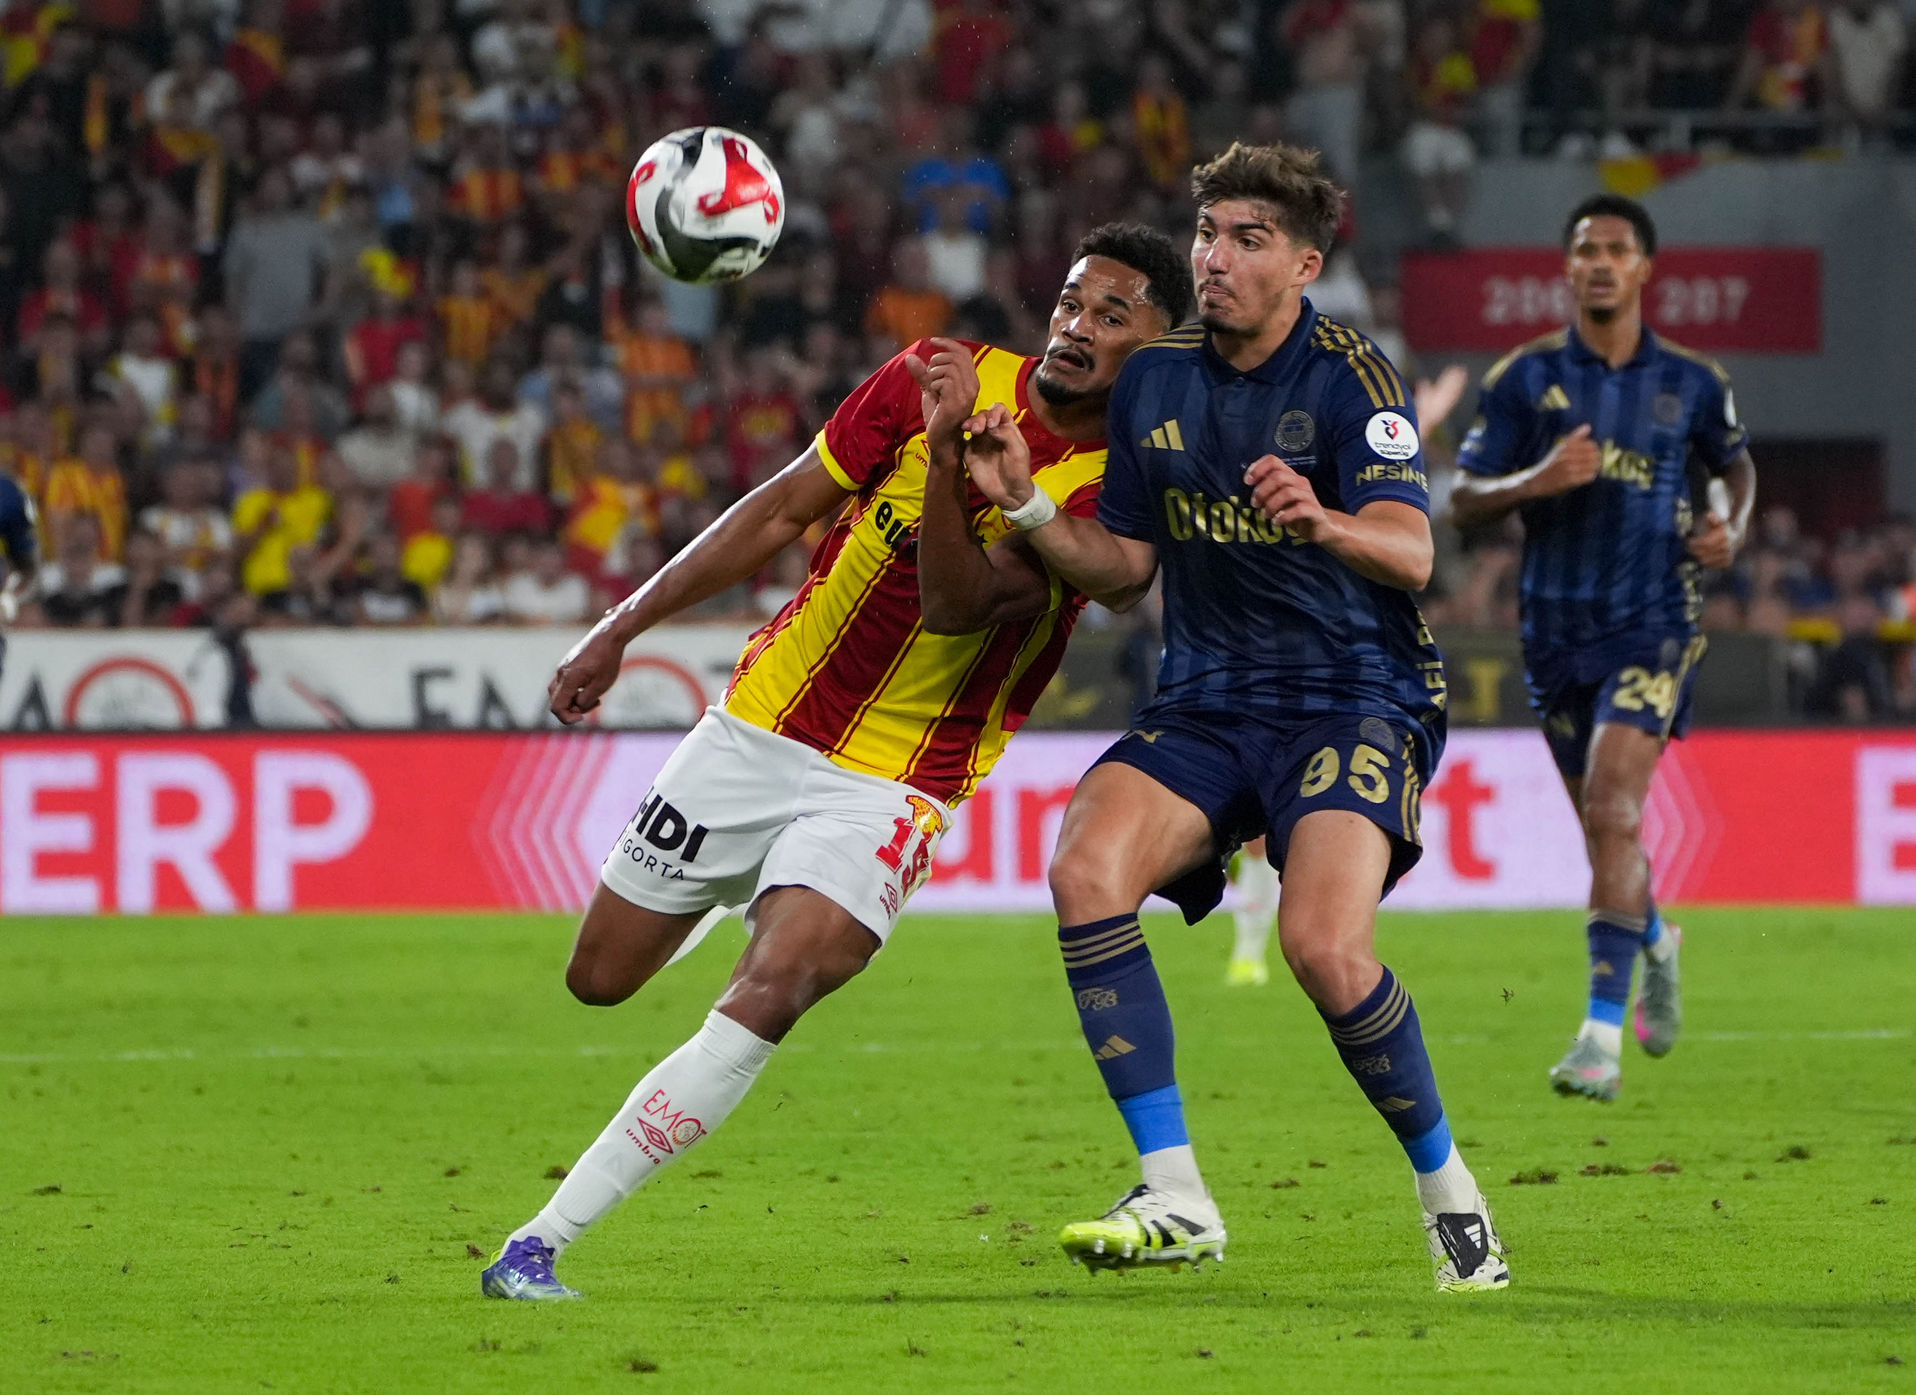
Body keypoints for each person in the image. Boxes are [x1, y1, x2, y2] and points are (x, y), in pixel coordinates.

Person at [479, 224, 1191, 1301]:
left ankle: (538, 1242)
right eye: (1067, 303)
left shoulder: (1109, 489)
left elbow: (956, 608)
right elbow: (779, 509)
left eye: (1109, 315)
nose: (1074, 328)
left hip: (897, 781)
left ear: (1156, 345)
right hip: (759, 724)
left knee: (777, 984)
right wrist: (621, 626)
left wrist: (948, 463)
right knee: (600, 979)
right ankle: (745, 884)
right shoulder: (935, 374)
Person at [957, 142, 1508, 1292]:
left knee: (1322, 950)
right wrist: (1026, 506)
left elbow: (1411, 552)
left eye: (1246, 239)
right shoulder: (1153, 378)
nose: (1212, 257)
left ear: (1302, 265)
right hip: (1206, 699)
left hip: (1353, 697)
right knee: (1083, 870)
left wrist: (1321, 520)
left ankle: (1448, 1194)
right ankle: (1174, 1192)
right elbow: (1121, 573)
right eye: (1207, 233)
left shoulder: (1353, 378)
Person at [1450, 194, 1756, 1103]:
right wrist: (1538, 479)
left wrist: (1730, 524)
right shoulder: (1525, 378)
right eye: (1586, 249)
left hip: (1655, 619)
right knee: (1602, 825)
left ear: (1643, 268)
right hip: (1554, 631)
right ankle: (1656, 938)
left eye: (1617, 249)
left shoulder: (1692, 380)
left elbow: (1735, 464)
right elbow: (1463, 498)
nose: (1600, 262)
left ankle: (1598, 1040)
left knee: (1617, 810)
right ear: (1568, 266)